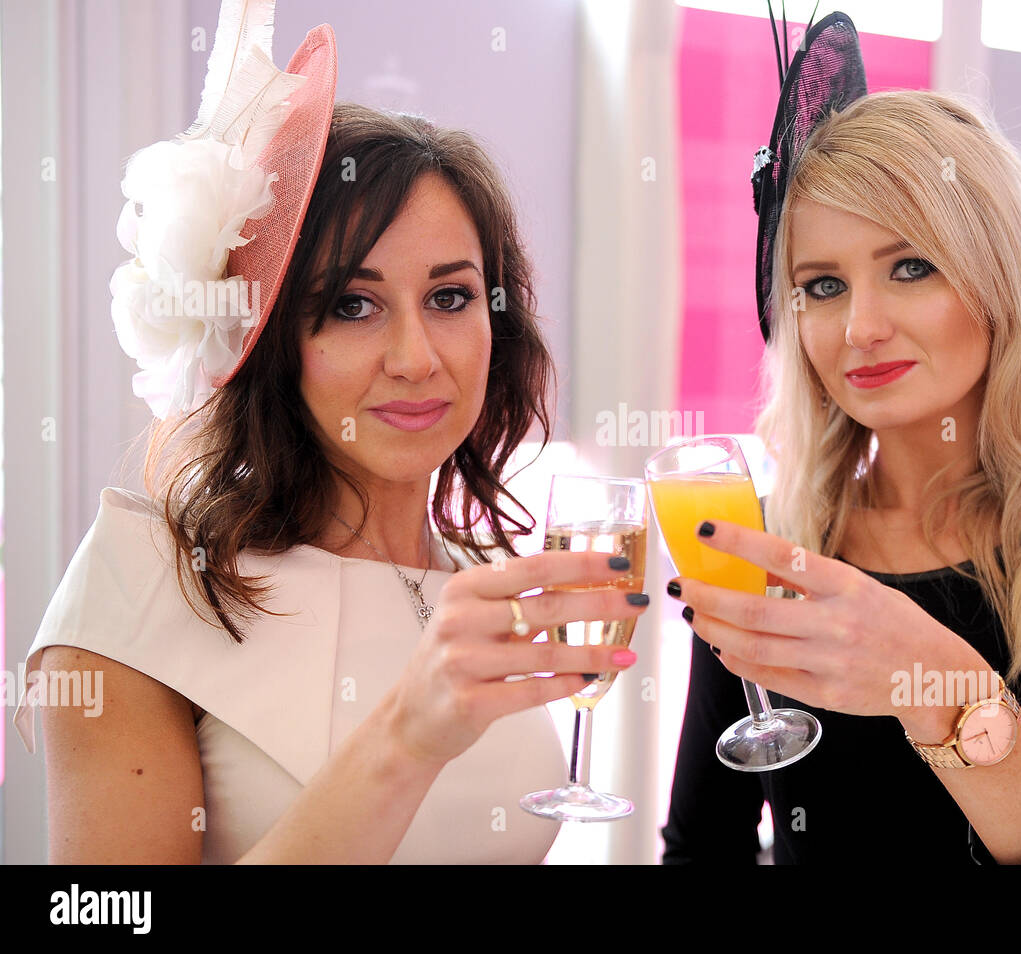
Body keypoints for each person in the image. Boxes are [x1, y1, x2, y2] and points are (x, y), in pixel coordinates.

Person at [13, 8, 646, 864]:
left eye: (451, 297)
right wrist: (404, 740)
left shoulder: (476, 589)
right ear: (273, 337)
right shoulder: (141, 586)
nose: (416, 358)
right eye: (352, 304)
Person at [661, 12, 1021, 865]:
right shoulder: (772, 558)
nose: (861, 327)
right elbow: (703, 848)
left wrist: (942, 688)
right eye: (822, 284)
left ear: (1000, 284)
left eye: (911, 267)